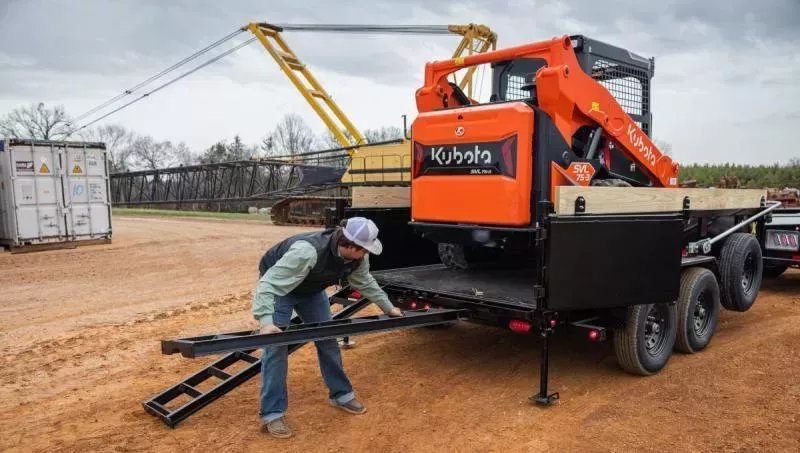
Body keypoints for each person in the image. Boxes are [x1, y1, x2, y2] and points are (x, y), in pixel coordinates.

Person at [252, 217, 403, 438]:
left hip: (311, 290)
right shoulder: (307, 251)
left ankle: (341, 395)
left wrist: (389, 307)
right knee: (276, 348)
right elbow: (269, 284)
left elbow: (365, 282)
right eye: (365, 250)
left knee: (328, 339)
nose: (367, 254)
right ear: (350, 246)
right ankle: (272, 414)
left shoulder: (358, 259)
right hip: (281, 290)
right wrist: (266, 322)